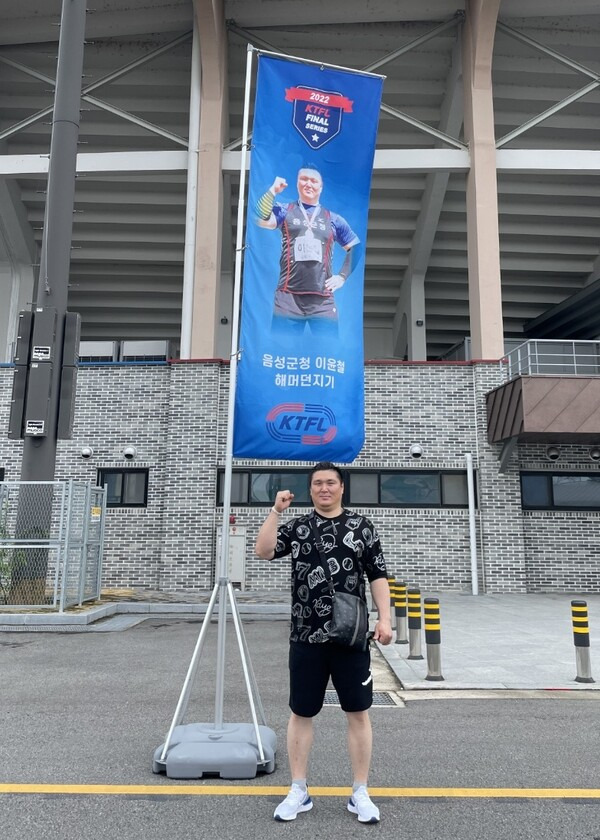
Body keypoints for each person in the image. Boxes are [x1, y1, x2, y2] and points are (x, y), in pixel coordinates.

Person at [255, 461, 392, 823]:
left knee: (358, 712)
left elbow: (377, 575)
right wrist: (275, 511)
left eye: (330, 482)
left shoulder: (361, 527)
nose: (324, 488)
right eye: (317, 483)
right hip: (305, 635)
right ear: (310, 489)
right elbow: (263, 551)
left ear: (342, 487)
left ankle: (360, 791)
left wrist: (386, 618)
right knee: (301, 712)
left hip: (350, 637)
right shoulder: (299, 527)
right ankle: (298, 789)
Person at [255, 168, 361, 335]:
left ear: (321, 187)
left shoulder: (333, 219)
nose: (308, 184)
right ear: (297, 183)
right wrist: (273, 190)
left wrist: (342, 276)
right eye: (304, 179)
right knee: (282, 349)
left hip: (322, 300)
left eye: (314, 181)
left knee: (328, 351)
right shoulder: (285, 210)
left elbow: (356, 247)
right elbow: (261, 217)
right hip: (287, 297)